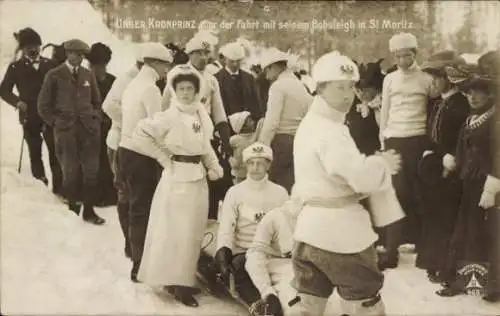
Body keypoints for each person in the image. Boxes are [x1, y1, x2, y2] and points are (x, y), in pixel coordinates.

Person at [290, 51, 402, 316]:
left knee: (308, 303)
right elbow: (357, 176)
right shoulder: (329, 131)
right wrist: (381, 165)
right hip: (341, 236)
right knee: (365, 304)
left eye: (352, 86)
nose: (348, 94)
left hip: (308, 234)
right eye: (339, 87)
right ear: (319, 89)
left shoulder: (313, 123)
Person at [135, 65, 224, 307]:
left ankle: (183, 280)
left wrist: (214, 166)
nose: (185, 93)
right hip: (177, 180)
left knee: (193, 233)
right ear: (174, 90)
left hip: (198, 180)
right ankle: (176, 283)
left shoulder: (199, 114)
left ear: (197, 91)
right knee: (176, 233)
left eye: (190, 89)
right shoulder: (171, 114)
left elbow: (205, 146)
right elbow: (141, 133)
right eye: (181, 88)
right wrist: (165, 159)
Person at [437, 51, 500, 302]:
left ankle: (493, 285)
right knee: (466, 230)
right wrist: (453, 161)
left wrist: (492, 186)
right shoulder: (472, 117)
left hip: (488, 185)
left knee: (490, 234)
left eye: (478, 92)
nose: (471, 97)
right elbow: (463, 148)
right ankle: (464, 280)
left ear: (491, 93)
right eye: (468, 93)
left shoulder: (495, 120)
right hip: (470, 183)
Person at [116, 43, 173, 281]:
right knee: (142, 208)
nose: (166, 70)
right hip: (141, 154)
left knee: (131, 205)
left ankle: (132, 250)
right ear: (156, 63)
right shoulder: (151, 89)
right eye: (165, 65)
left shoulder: (133, 85)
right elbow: (156, 126)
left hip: (125, 150)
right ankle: (139, 263)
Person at [378, 32, 433, 270]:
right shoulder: (389, 79)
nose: (402, 61)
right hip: (394, 141)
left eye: (406, 56)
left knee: (418, 193)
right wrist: (383, 141)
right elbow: (385, 112)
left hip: (418, 140)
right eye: (398, 56)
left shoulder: (426, 79)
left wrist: (429, 146)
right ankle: (391, 252)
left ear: (416, 54)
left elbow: (432, 112)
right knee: (394, 194)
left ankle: (423, 246)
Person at [163, 36, 233, 220]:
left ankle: (208, 228)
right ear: (190, 54)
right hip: (180, 139)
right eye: (199, 53)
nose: (204, 57)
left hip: (204, 136)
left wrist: (225, 138)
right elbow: (163, 108)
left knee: (211, 183)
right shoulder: (177, 73)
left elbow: (219, 111)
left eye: (206, 53)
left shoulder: (211, 79)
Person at [415, 51, 470, 283]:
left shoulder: (460, 104)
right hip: (437, 167)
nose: (433, 83)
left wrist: (448, 158)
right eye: (431, 78)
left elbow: (460, 138)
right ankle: (433, 261)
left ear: (448, 78)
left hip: (451, 170)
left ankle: (445, 265)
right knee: (434, 214)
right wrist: (431, 152)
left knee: (446, 217)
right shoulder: (439, 102)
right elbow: (433, 135)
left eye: (437, 78)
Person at [37, 39, 104, 224]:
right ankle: (73, 212)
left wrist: (95, 118)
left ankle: (89, 212)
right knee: (70, 171)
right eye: (77, 54)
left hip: (89, 131)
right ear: (68, 54)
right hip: (66, 132)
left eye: (83, 55)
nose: (80, 58)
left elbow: (97, 102)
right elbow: (43, 106)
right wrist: (56, 123)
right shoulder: (54, 75)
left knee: (91, 171)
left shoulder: (88, 75)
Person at [215, 142, 289, 306]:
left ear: (268, 165)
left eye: (260, 163)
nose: (255, 167)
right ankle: (263, 306)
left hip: (273, 252)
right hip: (244, 251)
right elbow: (226, 227)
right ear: (246, 164)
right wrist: (223, 255)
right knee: (243, 271)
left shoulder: (280, 193)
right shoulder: (235, 193)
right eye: (251, 163)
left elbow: (288, 226)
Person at [0, 28, 62, 195]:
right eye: (29, 47)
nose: (33, 50)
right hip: (29, 116)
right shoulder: (15, 67)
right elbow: (3, 90)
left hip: (50, 116)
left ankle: (60, 190)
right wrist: (17, 102)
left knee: (55, 152)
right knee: (35, 153)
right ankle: (41, 189)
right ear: (22, 49)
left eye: (36, 46)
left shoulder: (51, 65)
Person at [102, 44, 145, 259]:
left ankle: (137, 242)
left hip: (139, 145)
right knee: (125, 193)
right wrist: (132, 123)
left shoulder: (149, 81)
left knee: (137, 195)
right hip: (120, 143)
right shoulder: (126, 79)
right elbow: (108, 106)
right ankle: (129, 243)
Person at [258, 48, 313, 194]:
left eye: (267, 70)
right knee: (292, 187)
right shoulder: (300, 86)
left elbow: (272, 122)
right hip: (299, 141)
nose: (267, 75)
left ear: (275, 67)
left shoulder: (277, 87)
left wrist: (263, 146)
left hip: (281, 142)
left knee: (276, 189)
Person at [245, 194, 302, 316]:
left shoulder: (322, 219)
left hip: (311, 271)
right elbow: (254, 256)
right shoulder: (275, 217)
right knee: (296, 307)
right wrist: (267, 292)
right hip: (281, 270)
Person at [86, 42, 117, 207]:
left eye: (98, 66)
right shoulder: (84, 81)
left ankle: (110, 195)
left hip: (109, 128)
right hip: (89, 128)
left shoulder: (114, 82)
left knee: (107, 161)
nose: (95, 70)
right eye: (92, 65)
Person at [215, 42, 263, 121]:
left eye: (238, 61)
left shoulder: (249, 78)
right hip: (225, 125)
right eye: (232, 61)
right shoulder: (216, 79)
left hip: (247, 126)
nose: (235, 64)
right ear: (225, 59)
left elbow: (256, 104)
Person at [346, 59, 384, 156]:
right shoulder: (356, 98)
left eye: (366, 90)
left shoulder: (381, 103)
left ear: (377, 89)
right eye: (362, 90)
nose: (363, 93)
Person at [228, 111, 263, 184]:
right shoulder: (235, 139)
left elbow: (261, 124)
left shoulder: (254, 135)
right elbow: (225, 149)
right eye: (249, 121)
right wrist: (231, 160)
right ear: (242, 125)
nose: (253, 122)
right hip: (238, 174)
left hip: (251, 173)